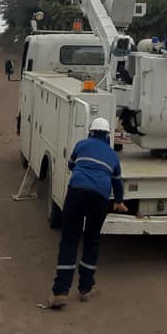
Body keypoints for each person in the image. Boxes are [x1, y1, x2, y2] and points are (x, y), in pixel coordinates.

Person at [49, 117, 127, 307]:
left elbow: (71, 165)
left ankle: (60, 291)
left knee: (69, 239)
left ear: (91, 132)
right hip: (100, 198)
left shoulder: (81, 145)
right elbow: (118, 182)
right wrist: (118, 201)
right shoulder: (112, 156)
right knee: (91, 240)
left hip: (76, 193)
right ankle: (85, 289)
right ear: (107, 136)